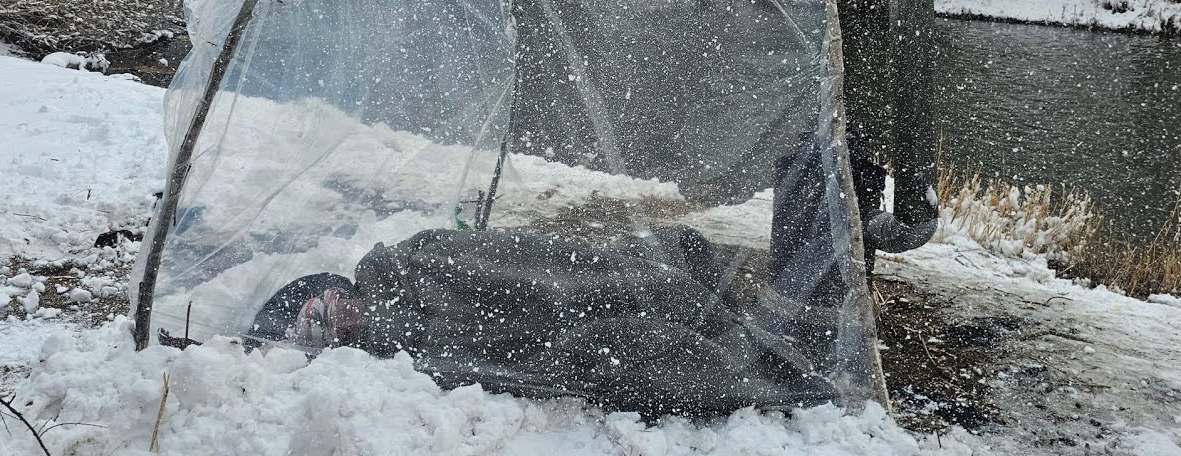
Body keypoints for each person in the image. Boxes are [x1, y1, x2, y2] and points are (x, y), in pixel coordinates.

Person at [247, 225, 838, 417]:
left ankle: (687, 295)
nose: (337, 322)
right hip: (577, 328)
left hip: (596, 285)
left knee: (612, 292)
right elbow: (510, 355)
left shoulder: (409, 262)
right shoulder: (406, 350)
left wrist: (597, 290)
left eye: (320, 309)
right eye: (323, 334)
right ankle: (757, 365)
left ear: (330, 285)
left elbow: (523, 264)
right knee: (620, 356)